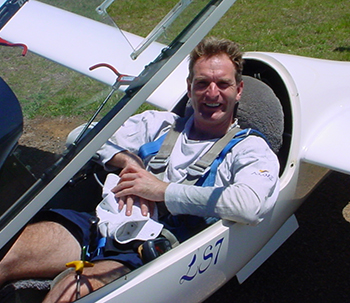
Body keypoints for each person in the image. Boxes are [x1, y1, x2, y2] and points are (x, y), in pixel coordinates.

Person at [0, 36, 280, 302]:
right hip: (100, 226)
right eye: (202, 82)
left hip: (148, 250)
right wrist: (128, 161)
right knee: (7, 254)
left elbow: (249, 206)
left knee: (71, 292)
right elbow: (80, 135)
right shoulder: (160, 124)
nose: (212, 93)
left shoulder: (249, 149)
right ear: (189, 87)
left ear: (239, 90)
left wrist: (161, 191)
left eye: (223, 84)